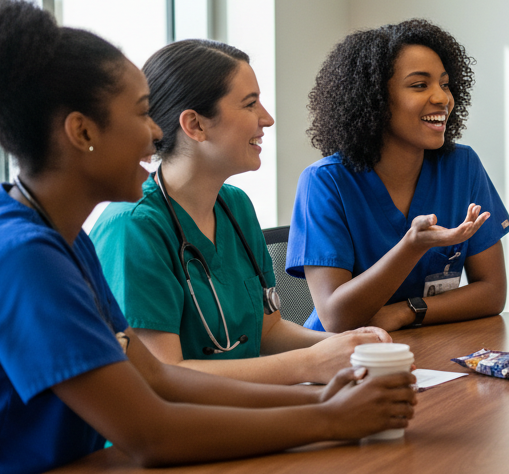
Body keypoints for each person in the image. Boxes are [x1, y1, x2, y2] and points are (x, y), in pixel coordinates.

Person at [0, 0, 416, 474]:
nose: (156, 132)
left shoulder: (59, 236)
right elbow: (151, 431)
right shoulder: (21, 257)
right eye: (139, 113)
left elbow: (156, 375)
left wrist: (320, 396)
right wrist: (329, 417)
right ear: (82, 132)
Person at [91, 40, 390, 385]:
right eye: (250, 104)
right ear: (195, 125)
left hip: (242, 411)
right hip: (177, 431)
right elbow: (164, 375)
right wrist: (310, 363)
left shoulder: (235, 206)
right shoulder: (133, 227)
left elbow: (269, 331)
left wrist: (351, 349)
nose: (267, 118)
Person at [287, 20, 509, 333]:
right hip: (343, 360)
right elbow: (336, 318)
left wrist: (407, 312)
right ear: (374, 100)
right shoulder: (326, 182)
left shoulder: (463, 166)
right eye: (420, 85)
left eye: (445, 84)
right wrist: (412, 247)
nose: (442, 98)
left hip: (425, 343)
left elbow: (492, 292)